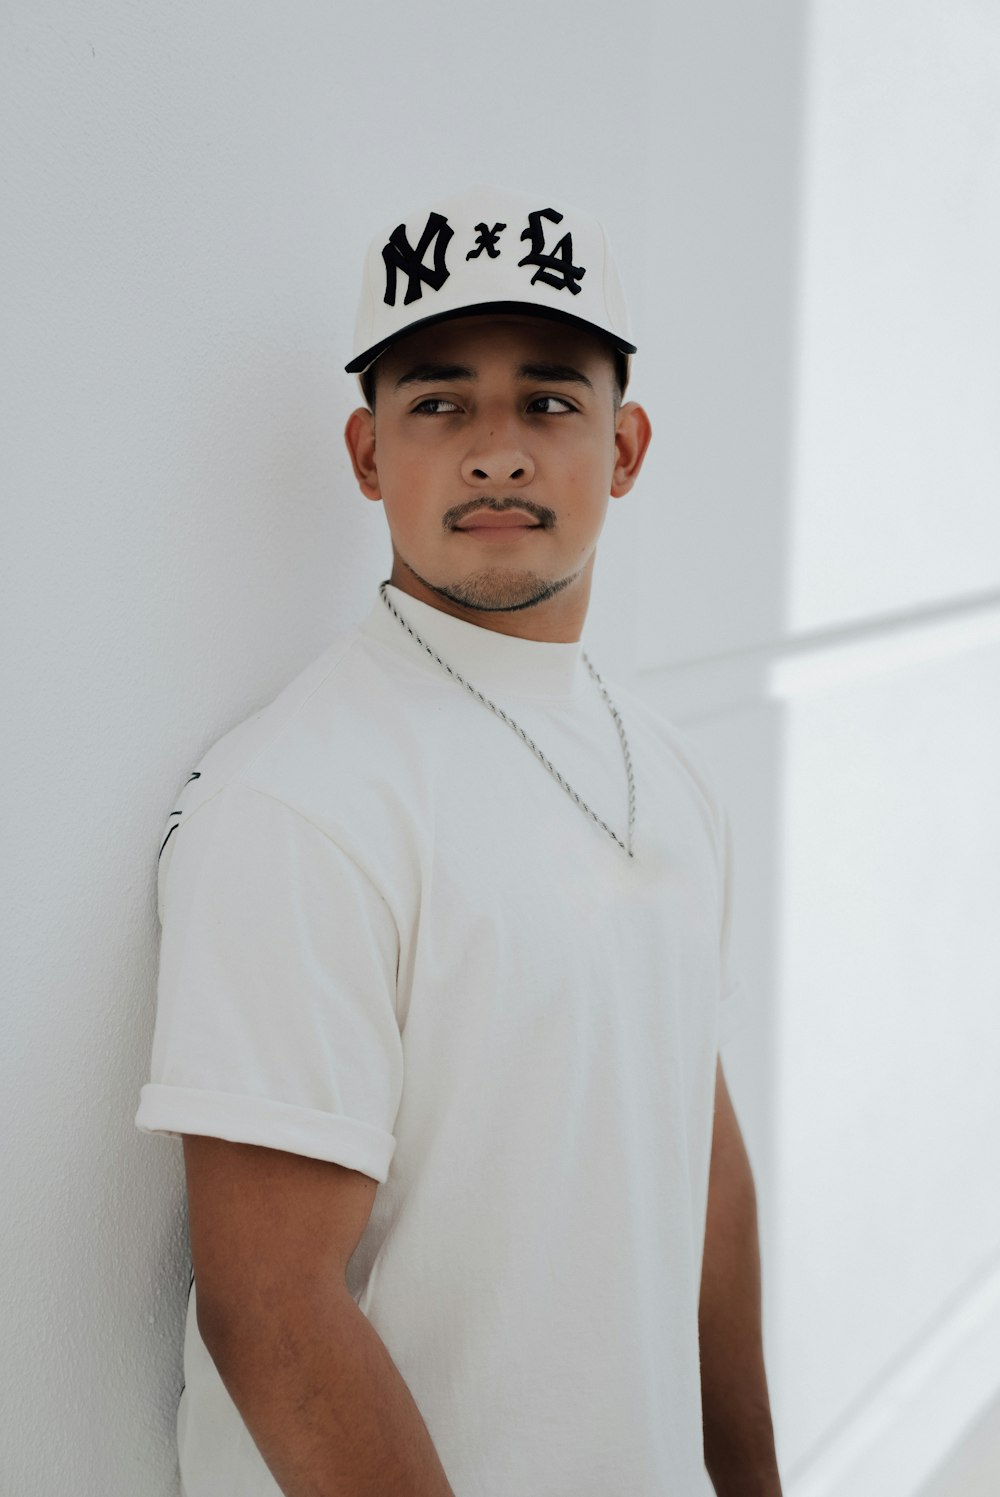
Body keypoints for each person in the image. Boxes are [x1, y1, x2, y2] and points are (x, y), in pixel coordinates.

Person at [136, 184, 782, 1497]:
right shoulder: (300, 798)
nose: (498, 449)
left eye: (550, 399)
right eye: (440, 402)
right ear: (369, 453)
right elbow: (270, 1305)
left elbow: (693, 1152)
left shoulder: (664, 765)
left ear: (628, 447)